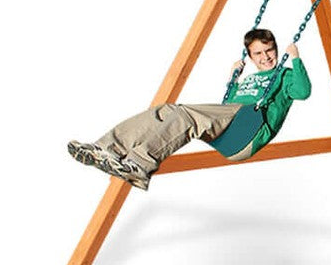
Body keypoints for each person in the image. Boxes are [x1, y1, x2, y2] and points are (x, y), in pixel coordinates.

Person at [67, 29, 311, 191]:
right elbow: (225, 107)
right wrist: (233, 81)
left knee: (185, 115)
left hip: (250, 130)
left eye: (269, 51)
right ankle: (107, 148)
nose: (265, 57)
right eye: (258, 53)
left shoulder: (285, 76)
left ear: (277, 50)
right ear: (250, 56)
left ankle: (139, 166)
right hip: (230, 128)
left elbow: (303, 92)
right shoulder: (246, 80)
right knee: (168, 110)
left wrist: (296, 59)